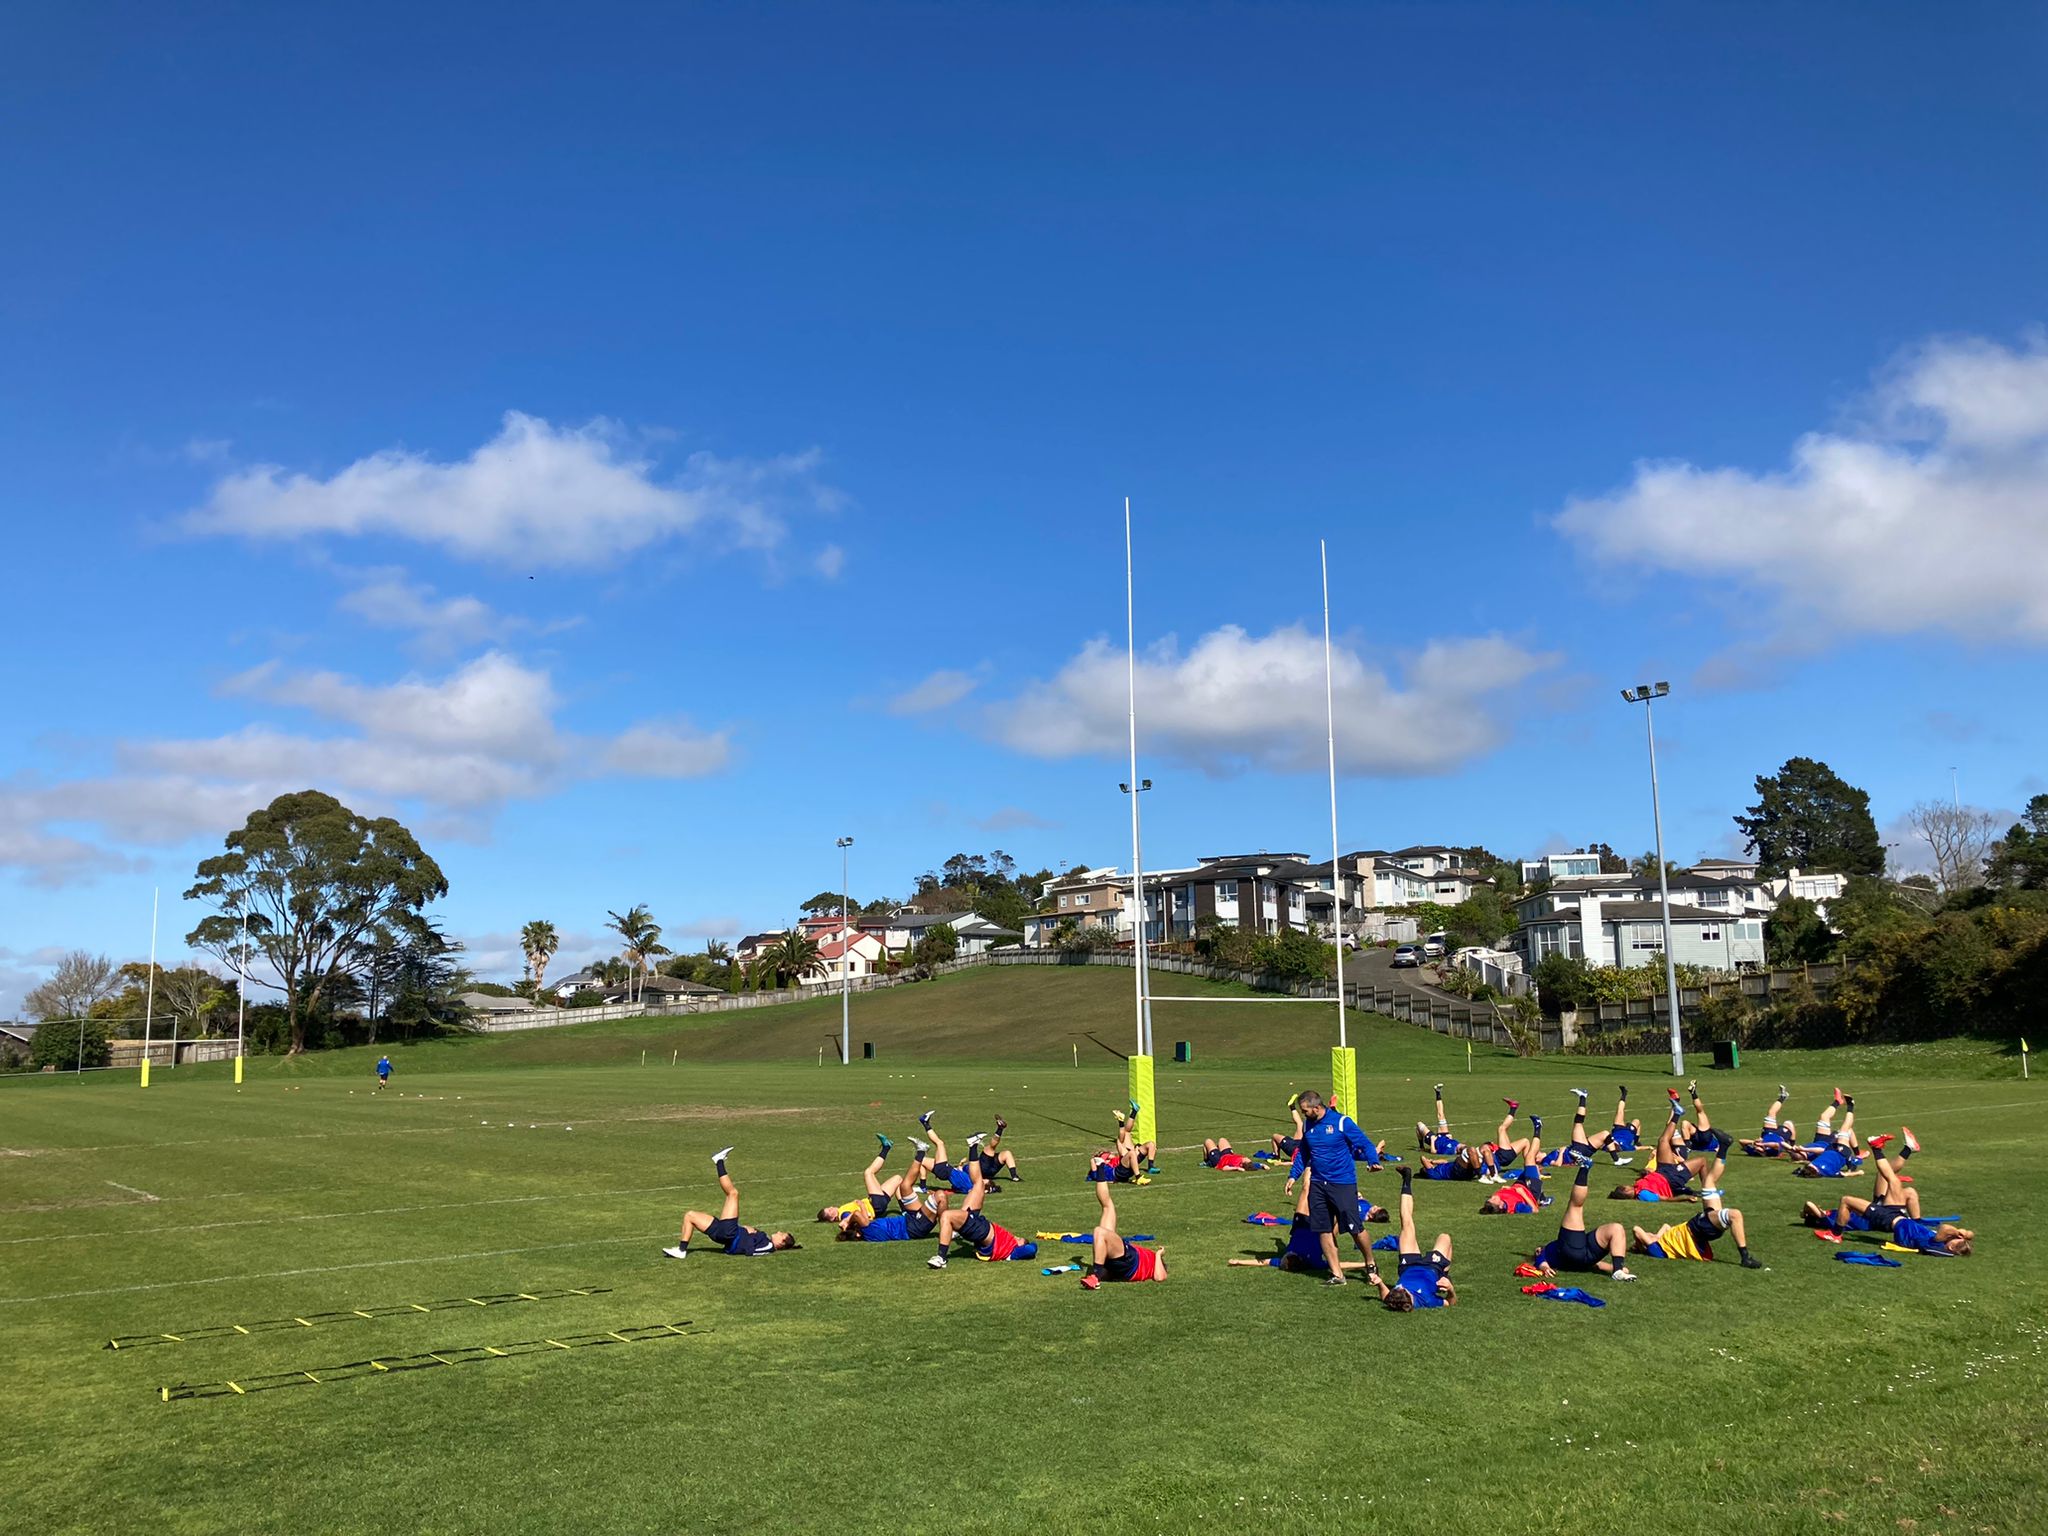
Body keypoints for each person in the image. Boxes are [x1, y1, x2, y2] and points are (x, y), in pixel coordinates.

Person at [1286, 1090, 1382, 1285]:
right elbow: (1304, 1153)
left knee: (1355, 1227)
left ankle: (1370, 1262)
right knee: (1323, 1228)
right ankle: (1337, 1275)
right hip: (1318, 1184)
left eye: (1305, 1111)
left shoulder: (1341, 1122)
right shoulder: (1307, 1125)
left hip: (1343, 1183)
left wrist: (1373, 1161)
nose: (1303, 1114)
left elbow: (1364, 1143)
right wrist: (1293, 1176)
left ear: (1316, 1107)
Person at [1629, 1149, 1763, 1268]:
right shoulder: (1654, 1249)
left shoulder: (1660, 1243)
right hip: (1696, 1230)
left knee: (1709, 1181)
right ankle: (1745, 1257)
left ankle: (1723, 1148)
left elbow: (1665, 1226)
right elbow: (1636, 1229)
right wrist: (1643, 1245)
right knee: (1735, 1215)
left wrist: (1656, 1237)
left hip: (1697, 1229)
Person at [1227, 1176, 1382, 1275]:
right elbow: (1340, 1264)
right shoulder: (1314, 1263)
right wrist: (1363, 1263)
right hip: (1320, 1229)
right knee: (1313, 1193)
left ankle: (1310, 1166)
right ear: (1292, 1257)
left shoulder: (1289, 1260)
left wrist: (1240, 1261)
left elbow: (1263, 1262)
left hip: (1300, 1226)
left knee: (1306, 1191)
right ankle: (1327, 1178)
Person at [663, 1148, 799, 1258]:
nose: (779, 1231)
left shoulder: (769, 1247)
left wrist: (748, 1234)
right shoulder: (766, 1240)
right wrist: (749, 1231)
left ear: (781, 1243)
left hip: (730, 1234)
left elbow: (751, 1251)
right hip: (726, 1234)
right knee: (690, 1215)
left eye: (782, 1234)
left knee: (733, 1194)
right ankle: (681, 1250)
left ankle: (719, 1161)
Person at [1364, 1169, 1457, 1311]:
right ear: (1409, 1297)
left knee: (1406, 1223)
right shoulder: (1426, 1300)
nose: (1400, 1286)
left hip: (1408, 1266)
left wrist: (1380, 1283)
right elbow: (1450, 1303)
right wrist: (1450, 1289)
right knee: (1445, 1237)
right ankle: (1444, 1275)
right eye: (1403, 1289)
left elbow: (1386, 1296)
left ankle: (1406, 1179)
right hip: (1432, 1268)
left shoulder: (1395, 1296)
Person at [1531, 1162, 1637, 1282]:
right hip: (1574, 1253)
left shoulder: (1551, 1250)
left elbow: (1598, 1265)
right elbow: (1540, 1260)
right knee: (1575, 1206)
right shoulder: (1545, 1251)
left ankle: (1618, 1271)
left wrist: (1615, 1268)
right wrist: (1544, 1267)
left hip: (1584, 1256)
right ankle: (1584, 1167)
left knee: (1616, 1228)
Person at [926, 1161, 1037, 1268]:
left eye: (1020, 1239)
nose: (1016, 1237)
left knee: (947, 1215)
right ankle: (973, 1146)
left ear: (1021, 1245)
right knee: (978, 1185)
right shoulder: (1009, 1246)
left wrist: (1022, 1243)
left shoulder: (1014, 1251)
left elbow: (1032, 1248)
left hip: (983, 1231)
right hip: (981, 1228)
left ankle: (941, 1258)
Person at [1080, 1177, 1166, 1288]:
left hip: (1131, 1262)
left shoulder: (1155, 1262)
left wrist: (1158, 1255)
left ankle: (1096, 1276)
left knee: (1100, 1231)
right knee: (1108, 1208)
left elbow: (1160, 1277)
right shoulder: (1150, 1261)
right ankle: (1100, 1167)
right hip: (1123, 1261)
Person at [1738, 1084, 1799, 1157]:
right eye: (1759, 1149)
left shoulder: (1753, 1151)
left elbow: (1741, 1141)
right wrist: (1763, 1144)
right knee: (1789, 1123)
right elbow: (1776, 1145)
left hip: (1767, 1133)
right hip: (1780, 1136)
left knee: (1771, 1113)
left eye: (1756, 1149)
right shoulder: (1771, 1152)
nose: (1757, 1148)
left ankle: (1783, 1097)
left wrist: (1754, 1142)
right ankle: (1792, 1146)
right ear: (1763, 1153)